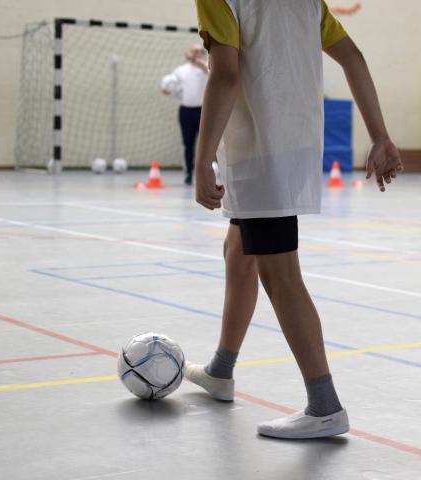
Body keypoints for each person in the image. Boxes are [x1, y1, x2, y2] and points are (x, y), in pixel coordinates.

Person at [184, 0, 403, 439]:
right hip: (294, 143)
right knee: (237, 250)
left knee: (280, 273)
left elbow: (225, 73)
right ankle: (221, 371)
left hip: (261, 149)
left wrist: (202, 157)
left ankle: (324, 405)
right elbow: (353, 57)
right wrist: (379, 134)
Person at [162, 45, 208, 185]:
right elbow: (170, 87)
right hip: (186, 111)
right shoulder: (180, 71)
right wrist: (166, 90)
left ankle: (206, 174)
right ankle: (188, 173)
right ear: (188, 53)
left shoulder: (207, 67)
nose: (197, 53)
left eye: (200, 51)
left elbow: (209, 70)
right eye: (194, 51)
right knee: (188, 144)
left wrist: (198, 61)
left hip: (204, 111)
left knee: (206, 144)